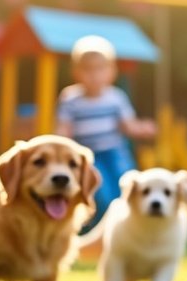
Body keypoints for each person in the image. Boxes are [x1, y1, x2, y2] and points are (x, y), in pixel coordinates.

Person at [56, 35, 157, 225]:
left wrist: (143, 129)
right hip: (88, 154)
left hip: (114, 151)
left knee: (126, 183)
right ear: (76, 72)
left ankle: (132, 223)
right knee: (99, 191)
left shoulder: (115, 98)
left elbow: (128, 126)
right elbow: (64, 130)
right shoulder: (71, 99)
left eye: (100, 69)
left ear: (112, 72)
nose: (94, 75)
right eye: (88, 69)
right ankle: (101, 226)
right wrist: (59, 145)